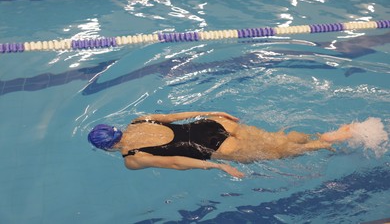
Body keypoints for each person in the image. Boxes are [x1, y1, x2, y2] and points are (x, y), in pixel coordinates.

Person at [87, 111, 385, 178]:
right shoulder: (139, 121)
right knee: (276, 140)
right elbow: (175, 116)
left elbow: (176, 162)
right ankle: (328, 134)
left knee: (283, 153)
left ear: (107, 147)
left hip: (217, 148)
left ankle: (323, 144)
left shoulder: (132, 157)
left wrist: (217, 165)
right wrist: (212, 114)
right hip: (213, 125)